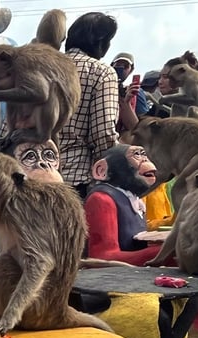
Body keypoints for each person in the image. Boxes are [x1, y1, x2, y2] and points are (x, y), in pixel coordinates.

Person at [59, 12, 119, 198]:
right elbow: (103, 132)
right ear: (100, 41)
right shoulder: (101, 72)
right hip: (75, 178)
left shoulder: (42, 65)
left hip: (28, 174)